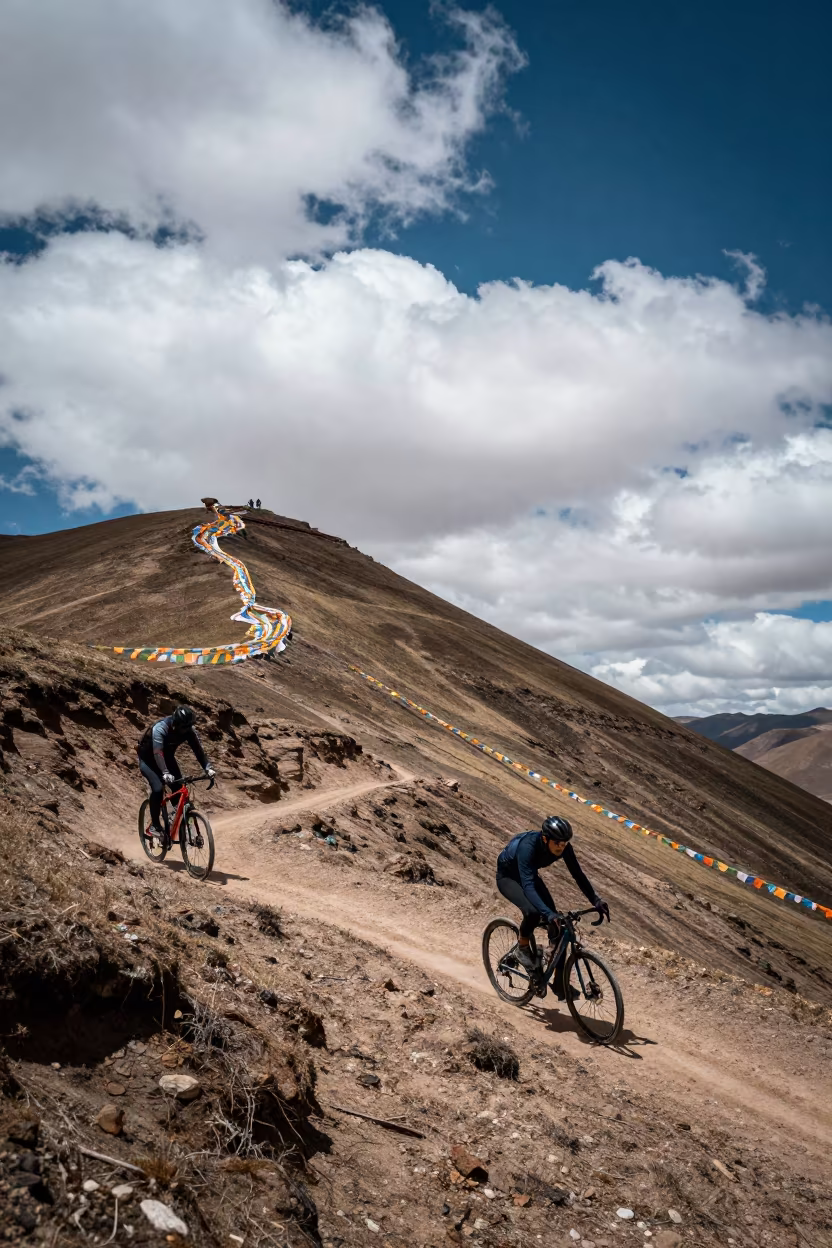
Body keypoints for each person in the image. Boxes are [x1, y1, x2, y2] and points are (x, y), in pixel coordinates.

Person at [496, 815, 609, 997]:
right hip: (509, 877)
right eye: (557, 843)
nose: (561, 847)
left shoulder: (563, 847)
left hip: (529, 876)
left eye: (564, 844)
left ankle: (558, 983)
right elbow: (528, 886)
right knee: (533, 913)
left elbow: (578, 875)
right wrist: (548, 913)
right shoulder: (528, 847)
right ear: (545, 838)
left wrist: (596, 900)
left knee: (560, 927)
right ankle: (522, 949)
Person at [137, 706, 214, 842]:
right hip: (148, 760)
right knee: (158, 788)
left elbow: (199, 750)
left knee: (178, 788)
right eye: (183, 727)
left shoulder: (189, 731)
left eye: (188, 727)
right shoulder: (161, 728)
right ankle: (155, 825)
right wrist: (165, 772)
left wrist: (208, 768)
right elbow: (157, 753)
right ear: (175, 723)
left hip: (167, 758)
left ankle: (178, 820)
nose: (185, 730)